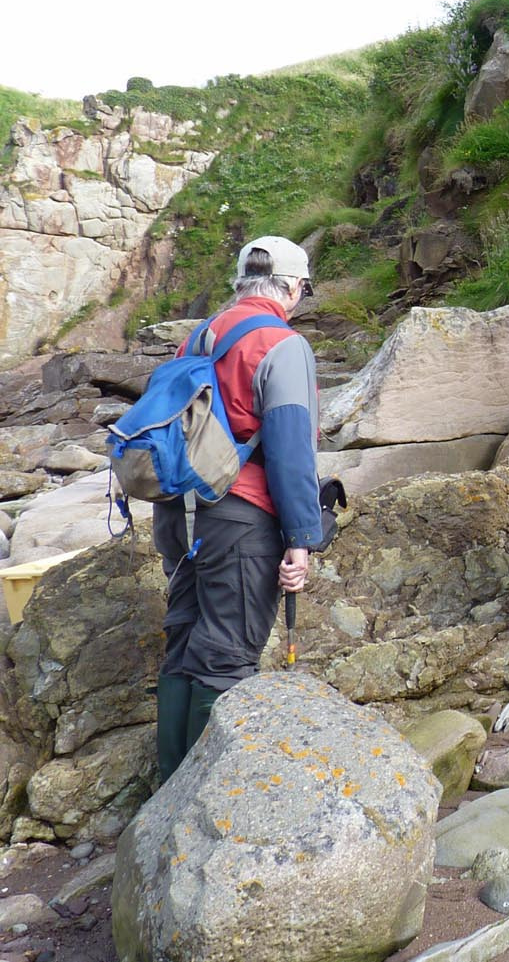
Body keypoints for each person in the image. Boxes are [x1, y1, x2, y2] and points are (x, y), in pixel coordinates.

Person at [153, 236, 322, 781]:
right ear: (291, 288)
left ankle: (168, 787)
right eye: (303, 290)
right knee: (226, 654)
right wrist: (302, 539)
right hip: (240, 516)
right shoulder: (282, 344)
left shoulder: (199, 336)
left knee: (184, 641)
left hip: (178, 513)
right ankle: (205, 797)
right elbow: (291, 450)